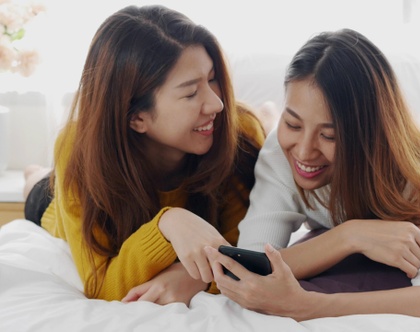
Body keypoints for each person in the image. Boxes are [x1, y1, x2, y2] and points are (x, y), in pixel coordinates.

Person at [204, 28, 420, 320]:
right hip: (360, 198)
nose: (304, 151)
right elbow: (253, 264)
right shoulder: (282, 153)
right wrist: (349, 236)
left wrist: (306, 305)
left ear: (369, 135)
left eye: (329, 136)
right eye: (293, 124)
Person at [23, 4, 266, 305]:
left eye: (212, 78)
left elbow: (248, 242)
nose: (217, 104)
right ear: (135, 116)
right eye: (191, 93)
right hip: (51, 206)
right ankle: (33, 175)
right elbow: (100, 285)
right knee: (37, 186)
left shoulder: (239, 129)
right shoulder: (79, 149)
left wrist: (194, 275)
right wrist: (168, 224)